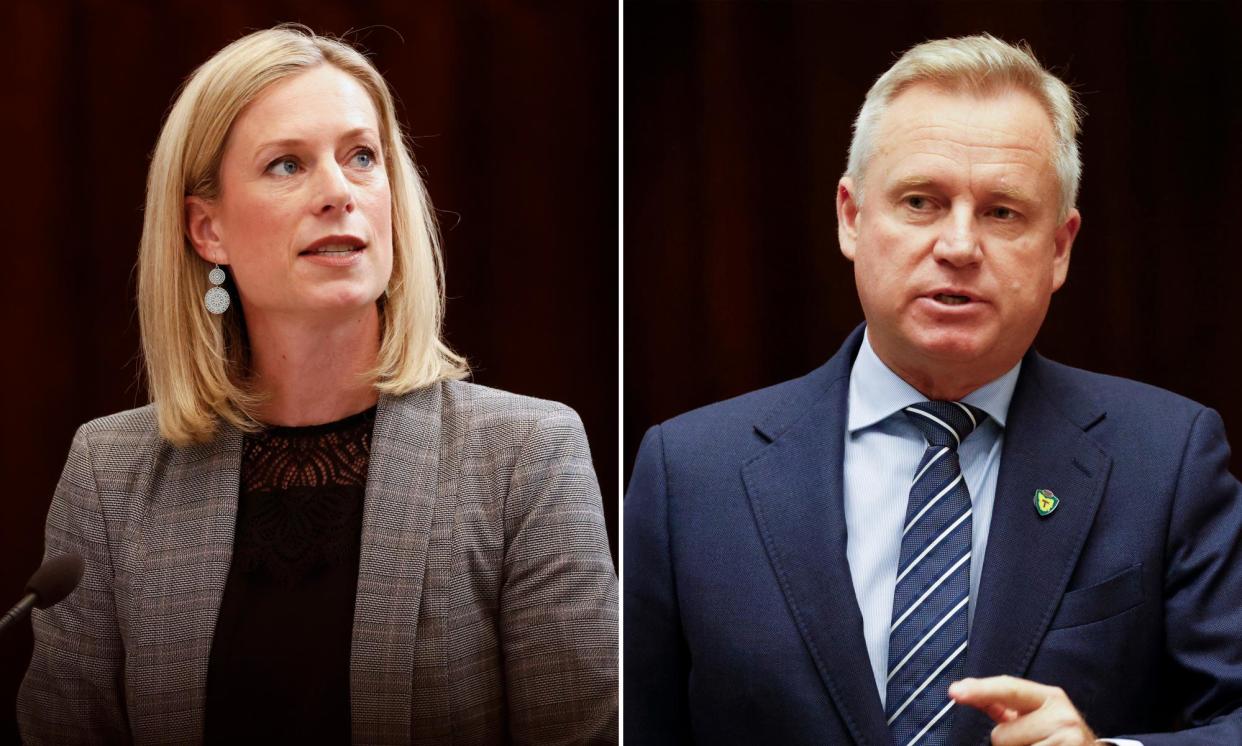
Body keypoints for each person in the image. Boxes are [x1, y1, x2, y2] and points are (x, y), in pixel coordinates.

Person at [624, 34, 1242, 745]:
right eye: (921, 201)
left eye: (1002, 212)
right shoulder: (690, 472)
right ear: (852, 218)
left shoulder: (1166, 460)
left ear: (1061, 247)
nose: (958, 246)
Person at [19, 25, 617, 745]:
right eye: (286, 165)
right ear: (206, 230)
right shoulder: (109, 476)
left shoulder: (524, 457)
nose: (338, 192)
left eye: (362, 157)